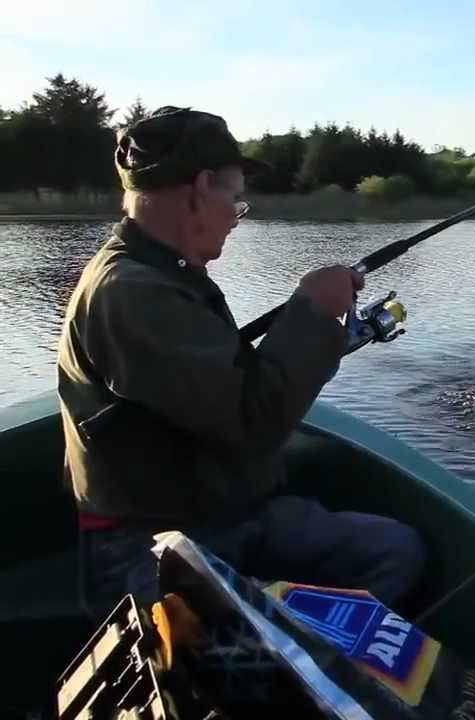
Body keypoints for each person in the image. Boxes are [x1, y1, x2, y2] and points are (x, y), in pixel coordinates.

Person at [56, 106, 427, 617]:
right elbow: (254, 422)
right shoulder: (132, 292)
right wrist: (314, 313)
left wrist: (312, 318)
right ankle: (291, 671)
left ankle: (300, 662)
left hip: (227, 513)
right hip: (153, 542)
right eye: (235, 198)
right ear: (201, 188)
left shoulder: (164, 271)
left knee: (394, 551)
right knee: (211, 657)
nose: (236, 215)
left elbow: (227, 391)